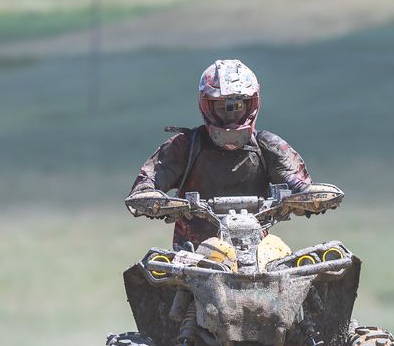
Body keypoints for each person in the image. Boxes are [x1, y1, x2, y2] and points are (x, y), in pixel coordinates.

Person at [125, 59, 312, 247]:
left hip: (259, 250)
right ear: (206, 105)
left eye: (238, 105)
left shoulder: (268, 146)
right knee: (148, 271)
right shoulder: (185, 146)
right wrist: (149, 196)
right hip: (193, 258)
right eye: (223, 106)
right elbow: (148, 182)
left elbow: (298, 184)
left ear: (252, 105)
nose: (231, 114)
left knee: (313, 266)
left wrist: (308, 196)